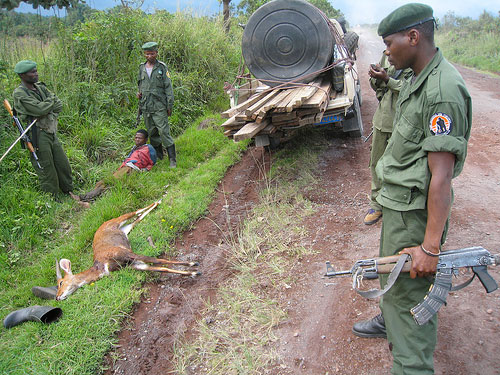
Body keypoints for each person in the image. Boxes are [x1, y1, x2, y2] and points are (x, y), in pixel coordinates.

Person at [352, 4, 472, 374]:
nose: (386, 51)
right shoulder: (418, 77)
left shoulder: (442, 92)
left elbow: (441, 178)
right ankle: (390, 320)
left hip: (416, 217)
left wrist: (429, 247)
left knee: (411, 298)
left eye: (390, 43)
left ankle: (412, 365)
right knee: (395, 281)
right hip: (399, 206)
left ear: (413, 37)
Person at [12, 60, 78, 202]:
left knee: (62, 163)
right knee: (46, 166)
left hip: (51, 130)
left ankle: (68, 190)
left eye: (36, 70)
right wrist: (47, 106)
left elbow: (58, 105)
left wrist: (46, 108)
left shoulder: (40, 87)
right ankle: (52, 198)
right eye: (32, 72)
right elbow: (39, 109)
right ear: (23, 75)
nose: (36, 74)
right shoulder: (20, 93)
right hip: (37, 133)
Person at [363, 54, 412, 225]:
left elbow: (409, 88)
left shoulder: (416, 58)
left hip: (404, 123)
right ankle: (376, 204)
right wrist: (376, 77)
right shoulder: (388, 54)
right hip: (382, 119)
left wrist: (386, 78)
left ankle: (400, 205)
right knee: (376, 163)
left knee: (402, 165)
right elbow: (378, 87)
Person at [78, 129, 157, 202]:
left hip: (132, 168)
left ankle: (84, 198)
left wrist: (145, 170)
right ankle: (89, 198)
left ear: (146, 139)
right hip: (125, 167)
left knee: (110, 181)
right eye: (136, 137)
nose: (137, 139)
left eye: (140, 138)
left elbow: (152, 162)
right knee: (102, 182)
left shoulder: (148, 148)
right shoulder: (135, 148)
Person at [137, 41, 176, 168]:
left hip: (159, 106)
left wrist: (169, 105)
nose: (150, 56)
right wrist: (139, 95)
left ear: (156, 53)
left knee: (164, 132)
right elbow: (140, 85)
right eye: (147, 54)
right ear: (144, 54)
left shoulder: (162, 68)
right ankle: (158, 156)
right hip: (146, 106)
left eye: (152, 54)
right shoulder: (142, 68)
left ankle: (172, 160)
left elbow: (168, 88)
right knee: (152, 132)